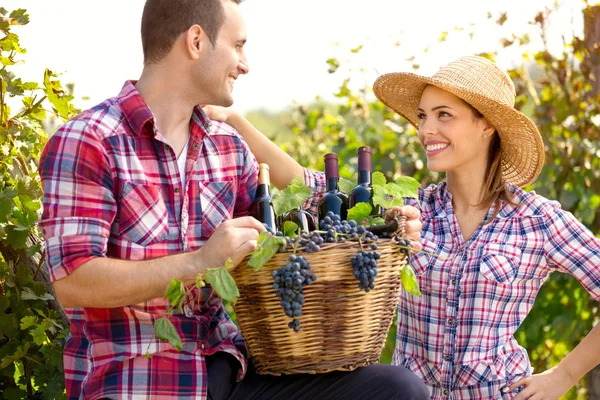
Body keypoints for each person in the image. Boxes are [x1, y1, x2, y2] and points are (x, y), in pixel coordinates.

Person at [39, 1, 429, 399]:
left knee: (396, 389)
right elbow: (74, 281)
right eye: (238, 45)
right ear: (195, 41)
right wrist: (200, 263)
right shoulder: (90, 140)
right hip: (139, 382)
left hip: (227, 375)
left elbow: (306, 217)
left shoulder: (226, 147)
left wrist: (384, 219)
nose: (245, 64)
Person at [205, 55, 600, 399]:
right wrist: (236, 121)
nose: (426, 129)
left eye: (444, 115)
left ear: (486, 126)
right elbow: (313, 190)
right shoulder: (409, 210)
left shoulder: (538, 220)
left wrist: (564, 375)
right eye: (424, 116)